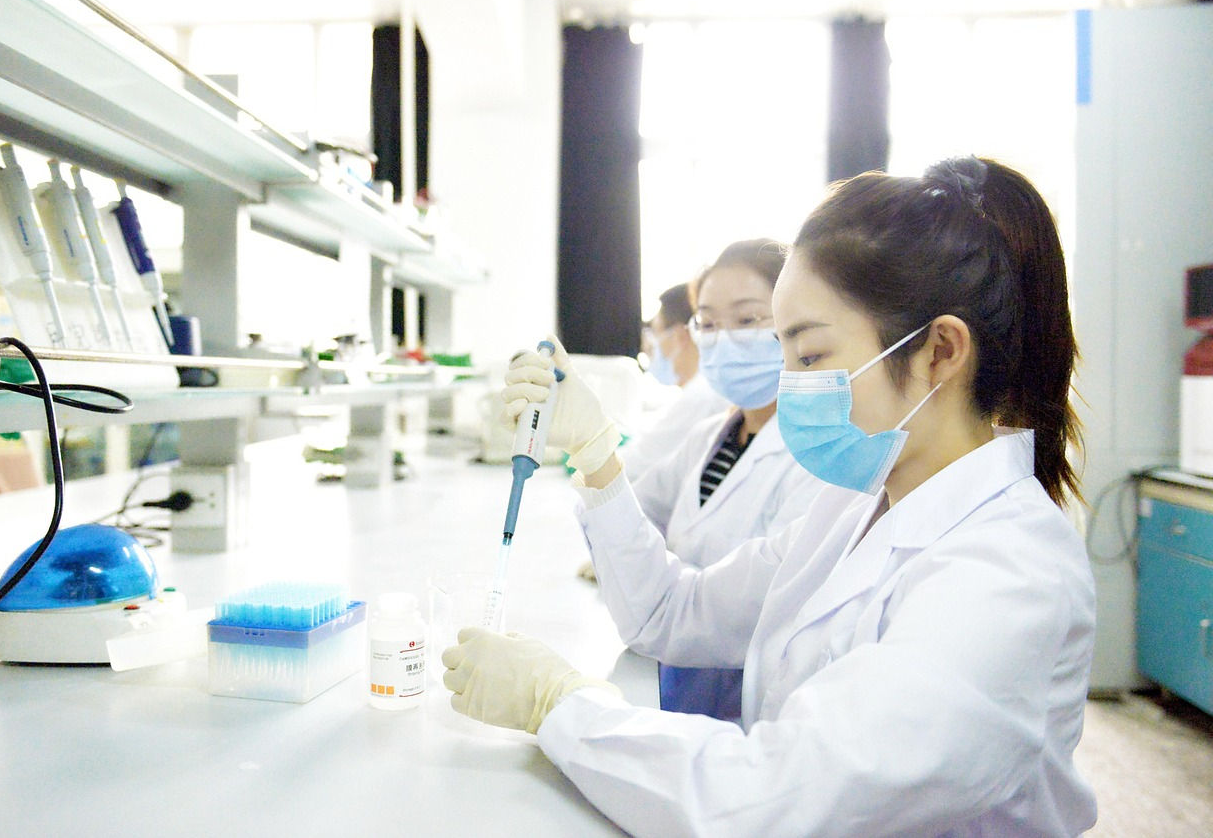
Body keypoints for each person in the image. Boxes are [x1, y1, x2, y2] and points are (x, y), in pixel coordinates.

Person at [443, 157, 1097, 836]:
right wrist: (597, 454)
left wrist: (559, 704)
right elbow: (672, 612)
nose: (789, 386)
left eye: (810, 356)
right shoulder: (854, 507)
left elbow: (775, 800)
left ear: (940, 351)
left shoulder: (1012, 574)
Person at [626, 238, 839, 720]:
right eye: (708, 323)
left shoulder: (820, 456)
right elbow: (633, 511)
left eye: (746, 321)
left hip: (749, 711)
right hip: (670, 673)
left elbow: (749, 608)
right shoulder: (712, 435)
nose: (723, 339)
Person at [618, 283, 728, 484]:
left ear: (680, 335)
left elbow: (631, 467)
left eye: (656, 334)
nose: (649, 347)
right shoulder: (699, 391)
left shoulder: (701, 395)